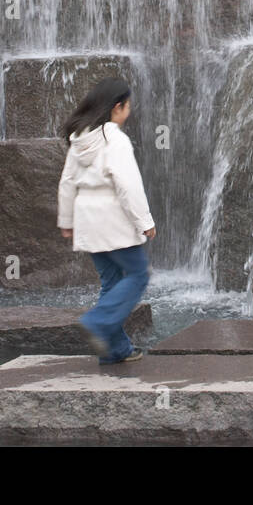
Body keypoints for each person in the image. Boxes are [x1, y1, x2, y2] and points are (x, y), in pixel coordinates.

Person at [57, 77, 156, 363]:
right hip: (112, 219)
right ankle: (97, 321)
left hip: (87, 219)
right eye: (128, 105)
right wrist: (144, 221)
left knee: (111, 282)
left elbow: (67, 182)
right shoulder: (115, 139)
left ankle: (116, 350)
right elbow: (127, 185)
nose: (130, 110)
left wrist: (67, 221)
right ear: (117, 107)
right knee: (138, 274)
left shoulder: (80, 138)